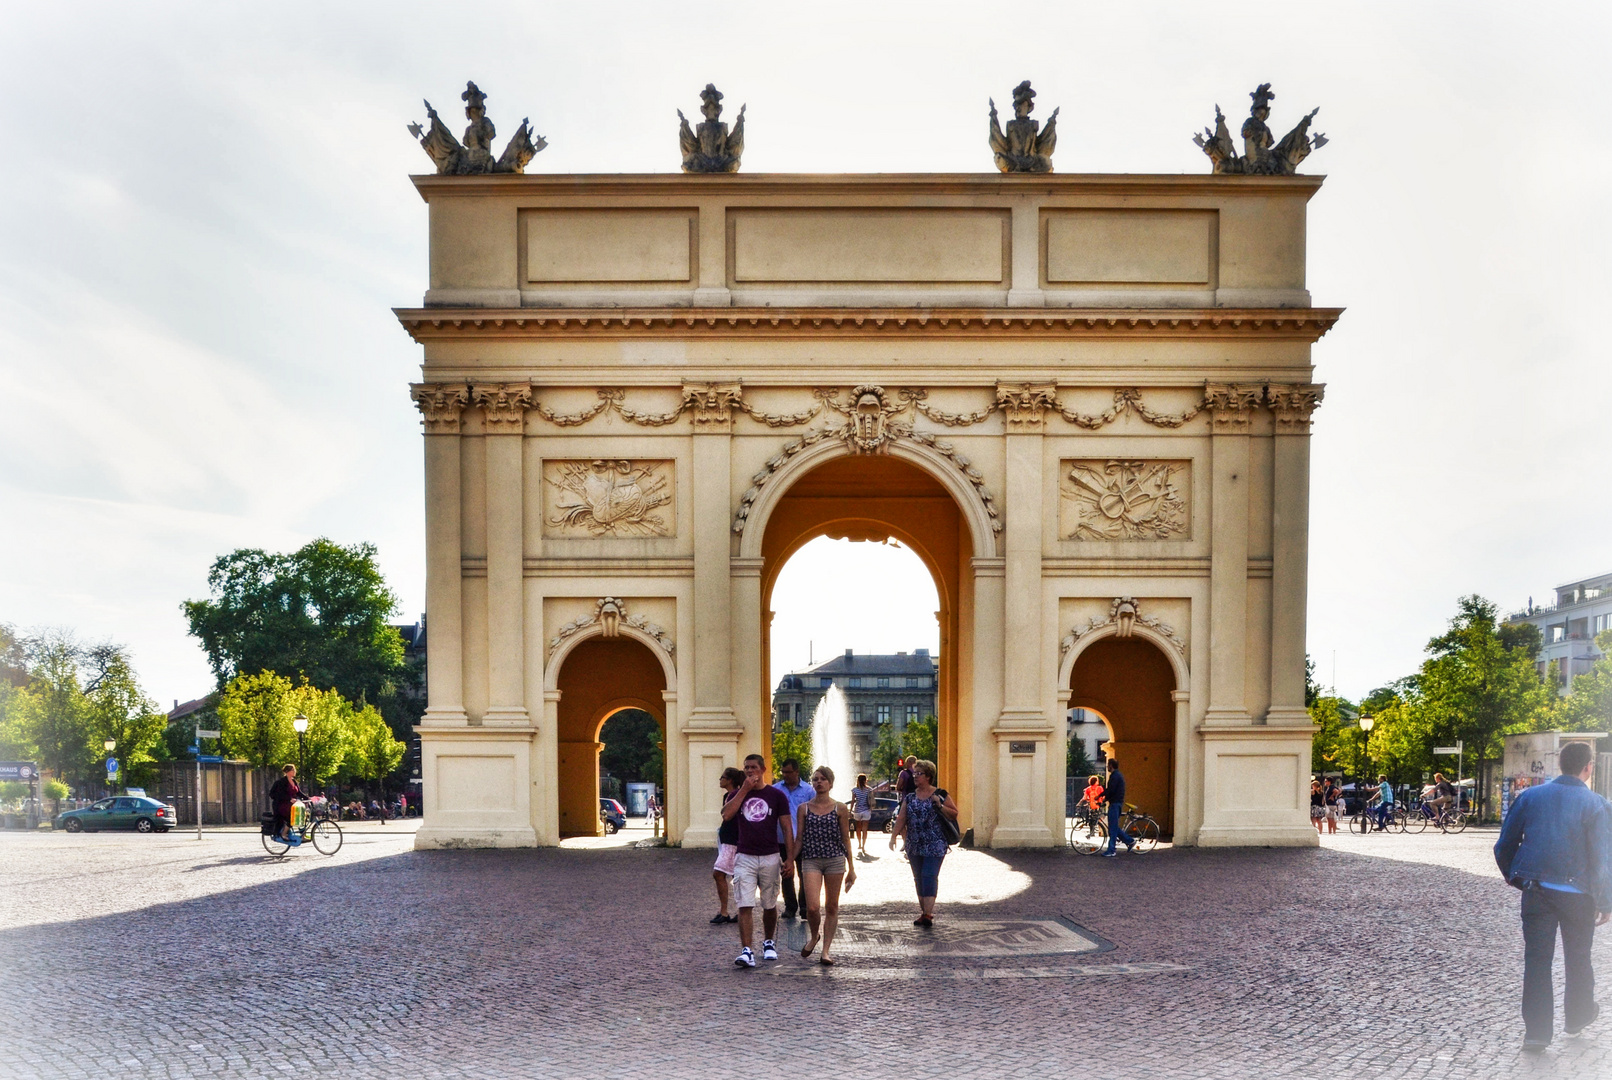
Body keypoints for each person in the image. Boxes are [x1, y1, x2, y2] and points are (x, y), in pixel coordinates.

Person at [1494, 740, 1612, 1051]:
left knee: (1536, 961)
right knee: (1578, 958)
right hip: (1579, 896)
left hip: (1537, 891)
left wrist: (1515, 877)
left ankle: (1536, 1033)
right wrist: (1606, 901)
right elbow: (1603, 858)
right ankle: (1577, 1017)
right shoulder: (1597, 804)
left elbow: (1504, 845)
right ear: (1588, 767)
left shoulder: (1530, 796)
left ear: (1559, 764)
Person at [721, 753, 794, 968]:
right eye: (746, 768)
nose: (750, 771)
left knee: (769, 903)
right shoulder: (736, 794)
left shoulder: (776, 795)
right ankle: (746, 950)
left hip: (771, 855)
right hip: (744, 856)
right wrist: (744, 790)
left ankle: (769, 943)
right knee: (744, 903)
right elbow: (726, 815)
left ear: (763, 769)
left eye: (753, 767)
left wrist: (789, 858)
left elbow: (787, 828)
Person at [793, 765, 856, 964]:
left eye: (822, 779)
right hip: (810, 859)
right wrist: (788, 860)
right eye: (815, 779)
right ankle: (814, 936)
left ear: (830, 783)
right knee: (812, 907)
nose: (818, 782)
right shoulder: (804, 808)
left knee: (831, 906)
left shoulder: (840, 808)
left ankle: (826, 951)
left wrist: (851, 868)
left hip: (834, 860)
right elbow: (799, 839)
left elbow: (845, 838)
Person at [889, 758, 957, 927]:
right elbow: (902, 817)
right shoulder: (910, 798)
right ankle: (924, 912)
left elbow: (954, 813)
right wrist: (893, 836)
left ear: (928, 776)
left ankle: (927, 913)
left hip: (935, 843)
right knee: (918, 877)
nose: (915, 777)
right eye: (915, 773)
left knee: (929, 875)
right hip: (914, 844)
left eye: (919, 774)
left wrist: (939, 805)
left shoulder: (940, 794)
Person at [772, 759, 815, 919]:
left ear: (797, 772)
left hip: (803, 839)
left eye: (788, 772)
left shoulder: (809, 791)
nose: (785, 775)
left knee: (805, 874)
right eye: (783, 772)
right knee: (786, 874)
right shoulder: (775, 789)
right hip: (782, 839)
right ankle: (790, 906)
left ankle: (804, 907)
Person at [710, 767, 744, 924]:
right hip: (728, 841)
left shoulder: (734, 795)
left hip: (732, 841)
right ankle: (733, 910)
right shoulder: (729, 795)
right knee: (732, 875)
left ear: (730, 780)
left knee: (719, 874)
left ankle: (726, 911)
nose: (720, 780)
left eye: (722, 777)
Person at [1102, 758, 1136, 856]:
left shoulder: (1115, 776)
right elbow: (1111, 790)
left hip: (1115, 804)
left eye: (1108, 765)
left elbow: (1111, 790)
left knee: (1112, 828)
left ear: (1111, 765)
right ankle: (1130, 841)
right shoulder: (1117, 775)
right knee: (1114, 827)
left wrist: (1103, 797)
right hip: (1116, 803)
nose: (1107, 767)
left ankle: (1112, 850)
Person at [267, 764, 303, 845]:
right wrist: (290, 799)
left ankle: (302, 834)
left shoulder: (294, 781)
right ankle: (283, 834)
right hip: (282, 805)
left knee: (302, 815)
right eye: (293, 770)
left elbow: (299, 793)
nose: (295, 771)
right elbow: (280, 794)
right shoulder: (281, 782)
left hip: (291, 805)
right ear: (287, 772)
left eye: (294, 770)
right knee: (292, 817)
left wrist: (309, 798)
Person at [848, 774, 874, 856]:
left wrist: (850, 810)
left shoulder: (855, 790)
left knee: (858, 828)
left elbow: (853, 801)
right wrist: (871, 809)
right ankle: (863, 845)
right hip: (866, 810)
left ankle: (859, 843)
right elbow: (871, 800)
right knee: (865, 829)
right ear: (865, 780)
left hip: (857, 810)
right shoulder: (869, 789)